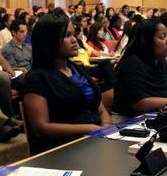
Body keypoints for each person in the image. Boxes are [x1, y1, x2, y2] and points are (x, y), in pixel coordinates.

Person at [23, 13, 112, 153]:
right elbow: (41, 127)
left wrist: (107, 125)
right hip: (63, 149)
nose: (74, 40)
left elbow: (100, 108)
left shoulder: (75, 69)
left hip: (94, 141)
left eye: (74, 34)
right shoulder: (37, 78)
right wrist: (90, 129)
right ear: (49, 41)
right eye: (66, 35)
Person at [112, 19, 167, 119]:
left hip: (158, 115)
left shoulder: (160, 60)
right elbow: (140, 103)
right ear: (146, 41)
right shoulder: (132, 63)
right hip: (129, 121)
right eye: (162, 37)